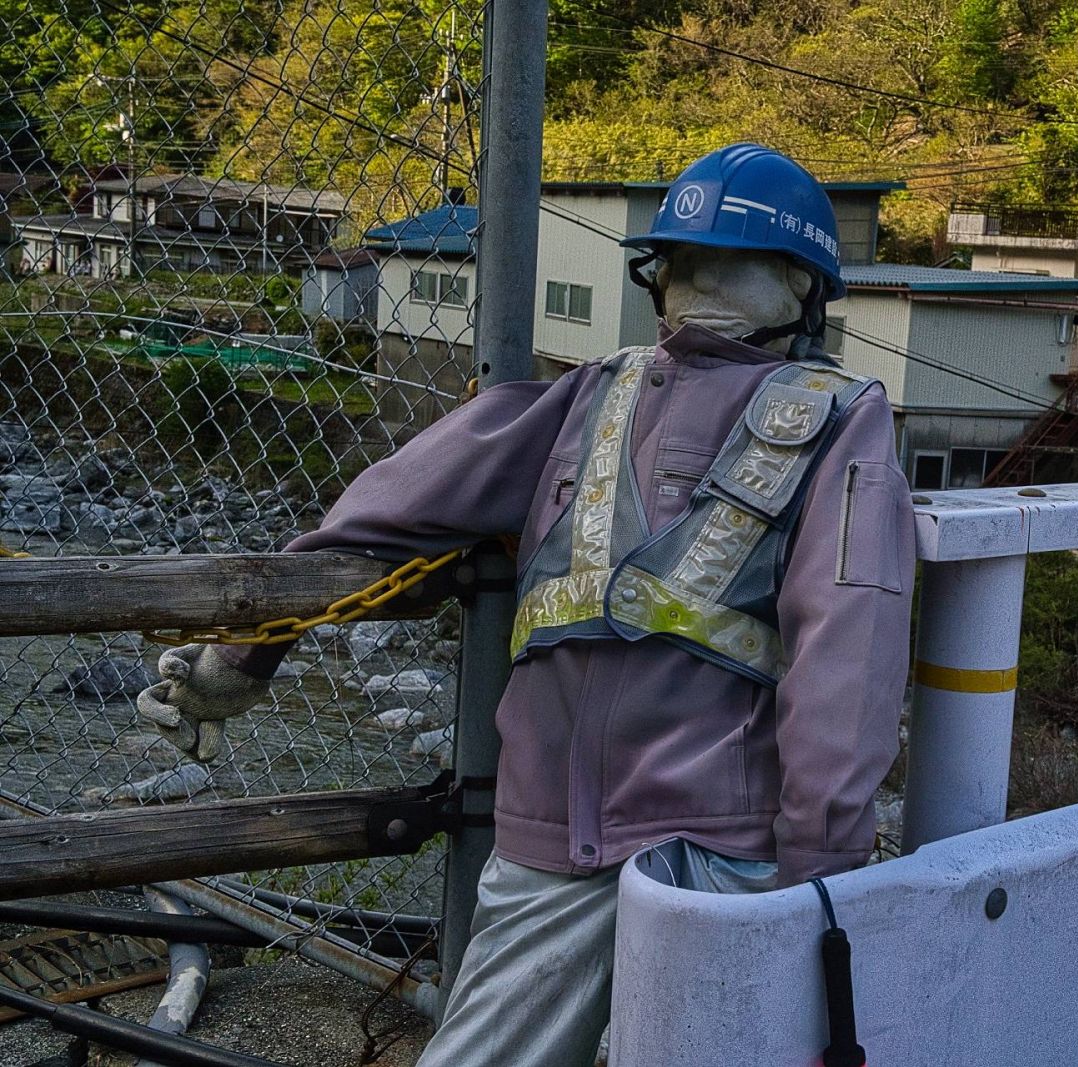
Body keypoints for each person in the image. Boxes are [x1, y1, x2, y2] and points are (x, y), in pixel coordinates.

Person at [135, 143, 916, 1067]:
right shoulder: (838, 419)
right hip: (724, 852)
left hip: (554, 839)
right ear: (805, 286)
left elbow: (387, 507)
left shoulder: (587, 394)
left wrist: (244, 657)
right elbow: (848, 659)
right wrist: (820, 877)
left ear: (662, 273)